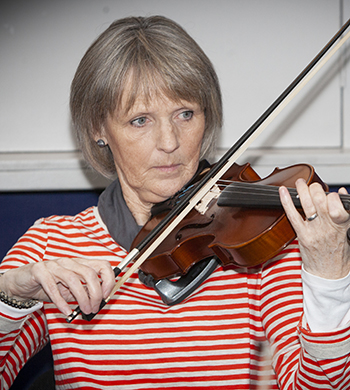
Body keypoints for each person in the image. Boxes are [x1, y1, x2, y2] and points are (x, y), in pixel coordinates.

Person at [1, 15, 350, 390]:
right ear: (97, 129)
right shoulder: (52, 246)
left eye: (186, 114)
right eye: (140, 121)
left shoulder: (264, 244)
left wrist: (329, 275)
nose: (170, 142)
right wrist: (10, 296)